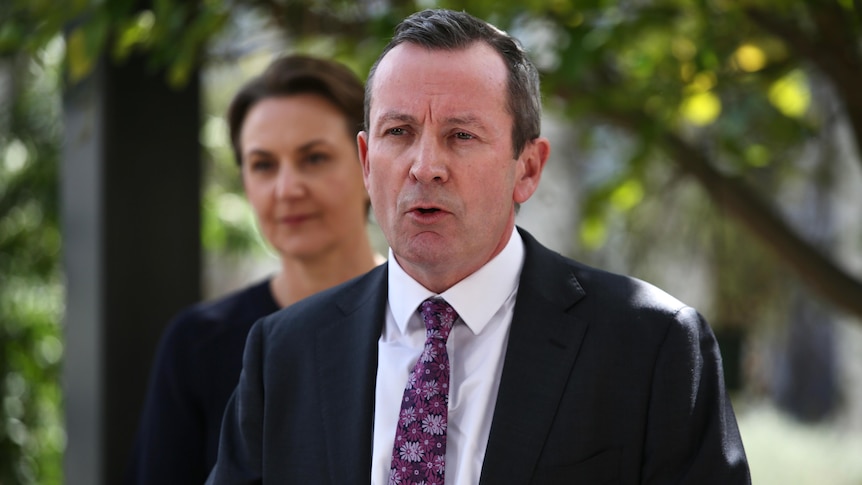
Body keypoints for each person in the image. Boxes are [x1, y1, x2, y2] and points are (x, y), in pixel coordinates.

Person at [207, 9, 750, 484]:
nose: (425, 167)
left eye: (461, 135)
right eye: (399, 132)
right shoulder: (283, 351)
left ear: (528, 168)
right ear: (367, 162)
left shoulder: (651, 345)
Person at [125, 55, 382, 484]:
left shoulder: (430, 325)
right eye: (263, 164)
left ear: (368, 162)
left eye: (314, 158)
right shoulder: (198, 344)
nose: (287, 189)